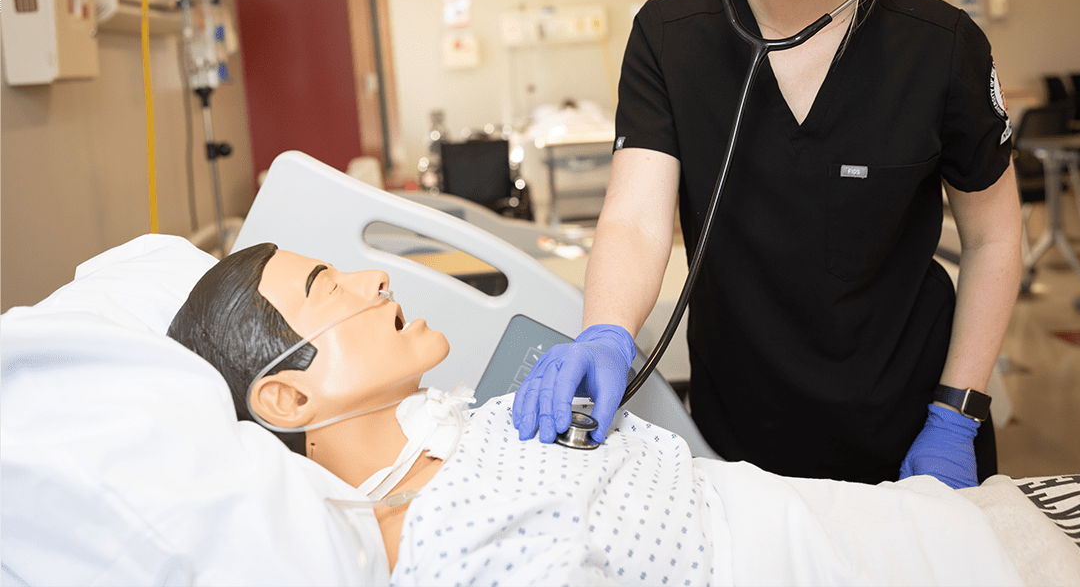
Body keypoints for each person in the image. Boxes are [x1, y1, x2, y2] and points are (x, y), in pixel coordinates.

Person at [512, 0, 1023, 488]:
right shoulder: (671, 40)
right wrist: (607, 331)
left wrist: (956, 414)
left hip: (912, 427)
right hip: (741, 436)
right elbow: (636, 219)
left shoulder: (939, 48)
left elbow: (995, 236)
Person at [166, 242, 1035, 586]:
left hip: (830, 513)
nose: (377, 278)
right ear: (288, 396)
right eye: (331, 287)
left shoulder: (457, 424)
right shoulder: (438, 541)